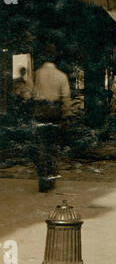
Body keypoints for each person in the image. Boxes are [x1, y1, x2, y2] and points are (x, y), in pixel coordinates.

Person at [31, 54, 71, 193]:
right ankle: (51, 177)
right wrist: (66, 116)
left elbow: (30, 93)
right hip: (54, 113)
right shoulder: (61, 75)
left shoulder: (36, 74)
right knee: (52, 146)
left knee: (40, 146)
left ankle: (42, 180)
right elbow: (66, 97)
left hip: (40, 112)